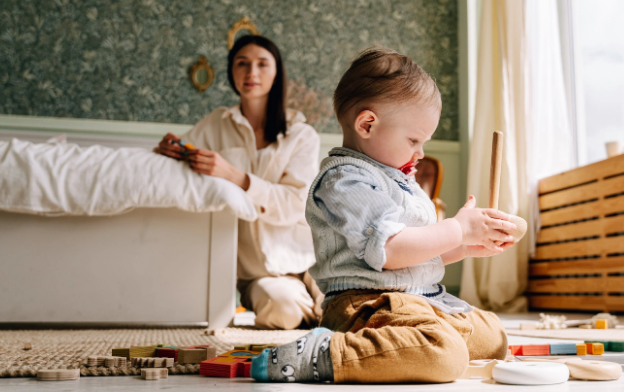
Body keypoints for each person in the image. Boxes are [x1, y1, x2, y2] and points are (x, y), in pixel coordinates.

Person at [250, 47, 517, 383]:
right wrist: (457, 229)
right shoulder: (345, 179)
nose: (420, 152)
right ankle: (328, 353)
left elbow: (415, 254)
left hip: (416, 301)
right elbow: (391, 251)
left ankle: (412, 345)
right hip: (367, 306)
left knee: (494, 337)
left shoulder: (398, 178)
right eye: (414, 139)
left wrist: (465, 245)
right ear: (368, 124)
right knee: (443, 354)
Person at [154, 35, 323, 330]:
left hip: (308, 257)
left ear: (277, 71)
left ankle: (321, 307)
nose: (251, 73)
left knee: (344, 308)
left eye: (262, 64)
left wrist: (235, 176)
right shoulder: (216, 124)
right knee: (282, 313)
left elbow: (297, 204)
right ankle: (313, 311)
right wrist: (169, 149)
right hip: (259, 272)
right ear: (232, 72)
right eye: (241, 64)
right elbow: (185, 155)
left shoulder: (301, 134)